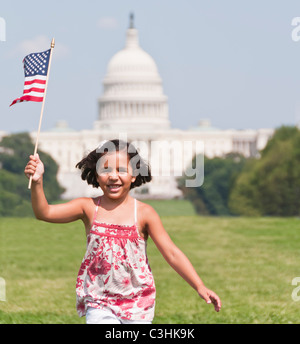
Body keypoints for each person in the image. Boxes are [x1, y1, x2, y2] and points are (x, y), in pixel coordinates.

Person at [24, 139, 221, 324]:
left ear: (134, 174)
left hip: (138, 302)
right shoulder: (88, 207)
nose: (113, 176)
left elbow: (171, 253)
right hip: (99, 300)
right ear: (96, 173)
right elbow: (45, 212)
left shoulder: (145, 213)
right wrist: (38, 181)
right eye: (106, 169)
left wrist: (199, 285)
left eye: (121, 170)